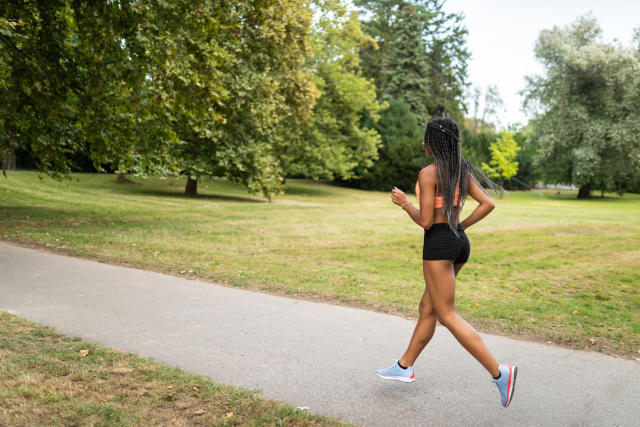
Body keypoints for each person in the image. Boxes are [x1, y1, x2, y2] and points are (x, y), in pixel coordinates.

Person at [376, 117, 518, 408]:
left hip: (439, 243)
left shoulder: (429, 173)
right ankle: (404, 367)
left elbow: (426, 221)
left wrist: (404, 203)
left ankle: (499, 373)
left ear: (435, 142)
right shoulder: (460, 171)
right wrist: (460, 226)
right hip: (458, 241)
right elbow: (488, 203)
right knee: (427, 307)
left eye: (426, 137)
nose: (422, 143)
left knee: (447, 314)